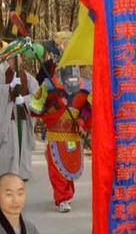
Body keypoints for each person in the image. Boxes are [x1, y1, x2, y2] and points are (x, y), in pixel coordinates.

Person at [28, 65, 90, 213]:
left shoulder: (86, 88)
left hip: (73, 135)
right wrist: (57, 105)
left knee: (70, 165)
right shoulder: (50, 85)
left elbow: (88, 107)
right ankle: (62, 197)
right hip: (56, 135)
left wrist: (81, 121)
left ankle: (67, 193)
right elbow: (37, 108)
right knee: (56, 168)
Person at [0, 56, 38, 181]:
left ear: (21, 60)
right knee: (8, 147)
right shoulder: (2, 76)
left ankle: (22, 173)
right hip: (7, 118)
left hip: (22, 117)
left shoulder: (28, 77)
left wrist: (25, 100)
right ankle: (8, 173)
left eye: (16, 59)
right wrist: (8, 87)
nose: (13, 62)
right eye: (11, 59)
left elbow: (37, 95)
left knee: (22, 147)